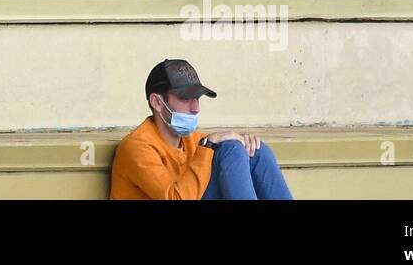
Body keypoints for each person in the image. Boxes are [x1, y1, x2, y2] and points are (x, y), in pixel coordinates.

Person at [110, 59, 293, 201]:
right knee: (231, 149)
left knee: (253, 151)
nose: (195, 108)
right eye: (186, 98)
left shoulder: (191, 140)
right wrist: (209, 145)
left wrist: (241, 140)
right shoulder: (137, 147)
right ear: (157, 102)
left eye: (197, 98)